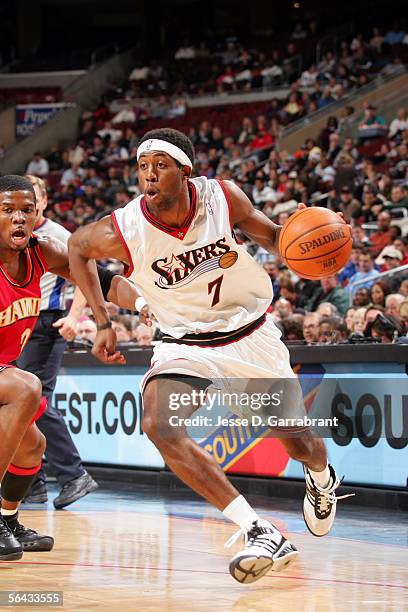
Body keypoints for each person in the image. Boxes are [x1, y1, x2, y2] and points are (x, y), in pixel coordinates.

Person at [68, 128, 351, 584]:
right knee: (159, 425)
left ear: (185, 170)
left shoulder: (223, 197)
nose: (149, 176)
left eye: (160, 165)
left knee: (298, 443)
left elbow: (277, 238)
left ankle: (321, 476)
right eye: (143, 167)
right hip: (184, 343)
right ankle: (258, 530)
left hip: (250, 336)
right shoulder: (126, 226)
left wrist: (318, 232)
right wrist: (102, 321)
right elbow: (76, 249)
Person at [0, 174, 145, 561]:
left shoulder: (40, 252)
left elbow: (99, 279)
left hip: (3, 369)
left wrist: (146, 303)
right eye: (7, 210)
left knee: (33, 448)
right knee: (27, 387)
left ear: (37, 215)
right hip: (7, 374)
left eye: (26, 211)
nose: (18, 218)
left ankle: (7, 518)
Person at [17, 176, 98, 510]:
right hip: (21, 322)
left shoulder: (56, 235)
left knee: (33, 402)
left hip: (48, 322)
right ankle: (32, 485)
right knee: (19, 405)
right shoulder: (14, 236)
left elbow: (87, 271)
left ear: (45, 202)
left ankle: (74, 474)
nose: (25, 210)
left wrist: (76, 316)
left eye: (31, 202)